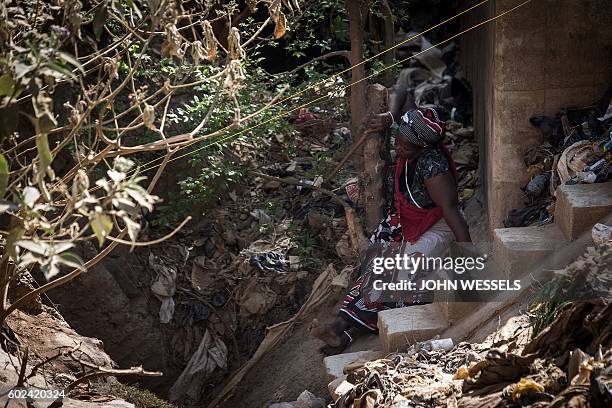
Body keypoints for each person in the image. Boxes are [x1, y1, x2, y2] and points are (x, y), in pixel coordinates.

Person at [309, 86, 473, 355]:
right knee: (376, 262)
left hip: (438, 225)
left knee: (402, 274)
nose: (398, 148)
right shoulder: (412, 126)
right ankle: (341, 329)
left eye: (405, 147)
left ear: (422, 146)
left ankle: (343, 330)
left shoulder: (433, 166)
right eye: (397, 141)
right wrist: (390, 116)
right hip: (408, 220)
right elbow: (400, 90)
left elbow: (452, 212)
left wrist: (469, 263)